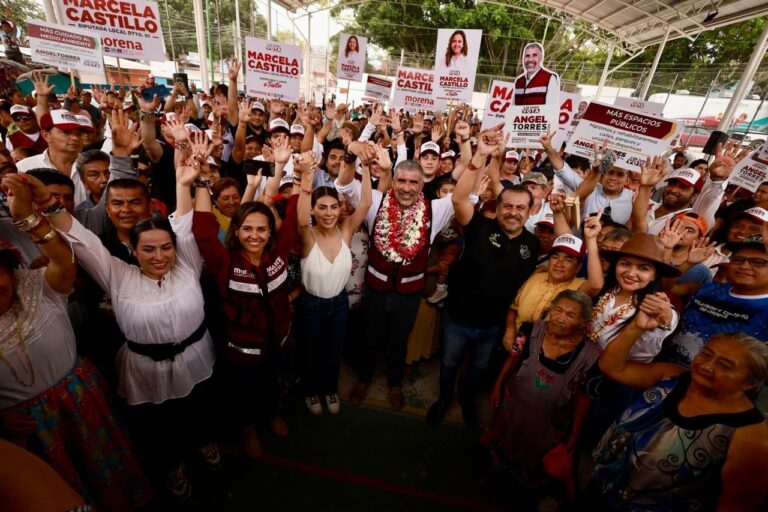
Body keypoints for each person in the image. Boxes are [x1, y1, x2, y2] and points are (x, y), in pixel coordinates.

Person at [36, 153, 221, 500]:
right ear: (133, 252)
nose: (159, 256)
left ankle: (200, 440)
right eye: (148, 249)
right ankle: (171, 465)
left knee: (197, 407)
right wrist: (47, 204)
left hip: (195, 356)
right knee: (156, 425)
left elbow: (183, 221)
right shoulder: (117, 275)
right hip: (145, 369)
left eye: (166, 248)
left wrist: (185, 183)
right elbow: (81, 238)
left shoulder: (187, 265)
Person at [0, 175, 151, 510]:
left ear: (11, 272)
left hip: (82, 399)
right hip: (27, 431)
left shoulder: (36, 288)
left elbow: (66, 260)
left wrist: (29, 217)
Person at [191, 140, 298, 458]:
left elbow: (292, 218)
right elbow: (203, 232)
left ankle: (274, 413)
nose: (255, 235)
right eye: (247, 229)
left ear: (270, 233)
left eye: (262, 229)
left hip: (277, 343)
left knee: (274, 383)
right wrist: (200, 181)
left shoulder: (279, 254)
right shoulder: (225, 264)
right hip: (242, 352)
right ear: (235, 232)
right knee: (243, 395)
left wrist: (295, 175)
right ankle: (249, 430)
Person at [426, 128, 540, 426]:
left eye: (520, 208)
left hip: (492, 327)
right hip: (457, 319)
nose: (513, 212)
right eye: (508, 206)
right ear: (498, 208)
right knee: (449, 364)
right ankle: (444, 399)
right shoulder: (478, 227)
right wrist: (480, 155)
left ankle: (465, 398)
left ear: (531, 212)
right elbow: (460, 198)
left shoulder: (532, 244)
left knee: (477, 370)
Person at [336, 144, 456, 411]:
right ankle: (364, 380)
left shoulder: (434, 210)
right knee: (371, 338)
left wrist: (478, 158)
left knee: (400, 341)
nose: (407, 187)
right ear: (393, 181)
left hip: (408, 295)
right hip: (376, 290)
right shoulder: (375, 202)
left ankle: (395, 384)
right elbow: (344, 186)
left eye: (414, 182)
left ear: (423, 183)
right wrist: (352, 151)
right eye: (401, 180)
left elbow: (464, 195)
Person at [593, 329, 768, 510]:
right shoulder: (671, 377)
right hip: (597, 489)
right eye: (706, 354)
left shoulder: (751, 437)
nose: (707, 366)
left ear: (750, 383)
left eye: (725, 365)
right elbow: (612, 367)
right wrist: (637, 326)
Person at [483, 291, 600, 487]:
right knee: (502, 441)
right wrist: (498, 385)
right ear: (550, 310)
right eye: (558, 310)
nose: (560, 319)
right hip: (513, 408)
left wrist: (574, 434)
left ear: (583, 323)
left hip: (548, 422)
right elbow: (513, 358)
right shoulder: (528, 330)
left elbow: (584, 398)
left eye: (570, 315)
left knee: (535, 457)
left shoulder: (592, 356)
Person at [297, 153, 371, 416]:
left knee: (333, 353)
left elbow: (365, 202)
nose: (329, 213)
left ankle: (329, 390)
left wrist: (366, 166)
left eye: (334, 207)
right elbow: (301, 218)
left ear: (341, 209)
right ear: (313, 210)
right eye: (323, 207)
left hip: (339, 304)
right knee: (311, 354)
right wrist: (307, 179)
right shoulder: (308, 236)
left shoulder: (346, 230)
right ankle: (311, 392)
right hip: (311, 306)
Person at [665, 235, 768, 365]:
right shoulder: (707, 289)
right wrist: (688, 264)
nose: (744, 266)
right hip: (661, 369)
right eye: (738, 259)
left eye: (758, 262)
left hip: (710, 381)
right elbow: (664, 287)